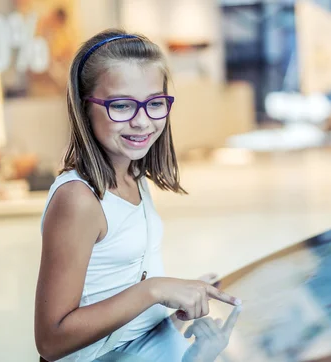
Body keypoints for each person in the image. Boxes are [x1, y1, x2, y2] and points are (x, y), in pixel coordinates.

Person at [35, 29, 241, 362]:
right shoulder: (78, 199)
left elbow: (121, 293)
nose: (142, 121)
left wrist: (180, 296)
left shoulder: (132, 174)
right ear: (84, 107)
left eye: (155, 103)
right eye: (121, 105)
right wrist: (155, 290)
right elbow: (51, 340)